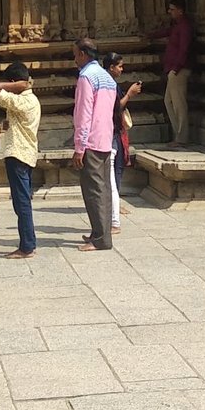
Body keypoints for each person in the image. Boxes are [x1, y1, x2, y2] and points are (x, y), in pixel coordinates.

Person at [0, 61, 41, 259]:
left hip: (18, 155)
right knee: (21, 202)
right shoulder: (30, 100)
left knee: (22, 202)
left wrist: (16, 85)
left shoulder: (23, 101)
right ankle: (28, 243)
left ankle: (27, 246)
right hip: (24, 154)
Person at [71, 37, 117, 252]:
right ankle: (100, 232)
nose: (74, 59)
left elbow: (84, 113)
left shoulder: (86, 77)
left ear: (83, 54)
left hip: (91, 141)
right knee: (103, 188)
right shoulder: (107, 77)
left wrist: (79, 147)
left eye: (75, 54)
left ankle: (100, 239)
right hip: (105, 138)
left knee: (93, 191)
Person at [149, 0, 193, 145]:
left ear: (180, 11)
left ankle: (182, 138)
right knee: (168, 101)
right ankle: (178, 135)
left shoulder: (185, 27)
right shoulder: (177, 26)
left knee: (179, 104)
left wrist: (176, 67)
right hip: (173, 69)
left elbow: (184, 49)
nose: (170, 12)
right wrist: (150, 35)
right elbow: (166, 32)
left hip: (178, 70)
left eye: (172, 9)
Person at [105, 52, 139, 234]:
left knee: (117, 171)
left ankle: (114, 212)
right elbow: (116, 107)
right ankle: (114, 218)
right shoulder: (109, 85)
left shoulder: (110, 84)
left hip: (116, 132)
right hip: (111, 133)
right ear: (111, 67)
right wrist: (130, 94)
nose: (121, 69)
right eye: (119, 66)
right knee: (113, 175)